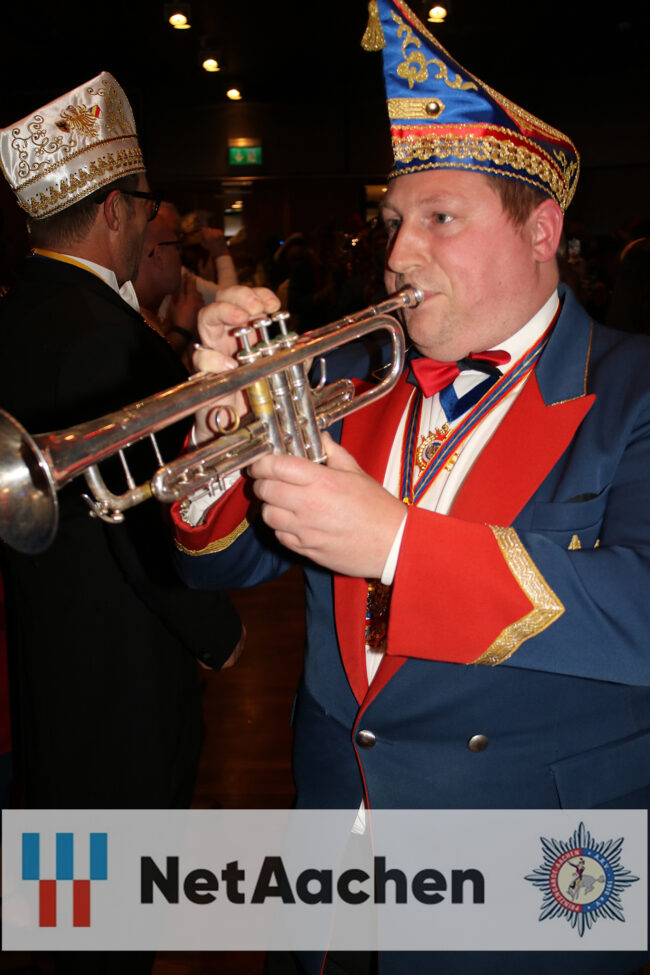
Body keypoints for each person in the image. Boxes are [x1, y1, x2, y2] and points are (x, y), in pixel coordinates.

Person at [172, 4, 650, 973]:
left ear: (542, 230)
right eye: (395, 221)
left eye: (439, 218)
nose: (395, 254)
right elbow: (220, 566)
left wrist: (397, 543)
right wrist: (217, 434)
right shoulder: (354, 371)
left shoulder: (633, 388)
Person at [0, 72, 243, 975]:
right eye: (143, 207)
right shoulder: (110, 335)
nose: (147, 225)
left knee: (66, 906)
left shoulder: (18, 311)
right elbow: (141, 518)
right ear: (114, 210)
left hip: (46, 647)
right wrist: (216, 629)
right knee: (112, 924)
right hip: (120, 670)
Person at [133, 200, 203, 364]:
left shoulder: (154, 316)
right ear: (158, 255)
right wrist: (181, 332)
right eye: (177, 246)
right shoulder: (124, 321)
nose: (180, 256)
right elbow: (144, 371)